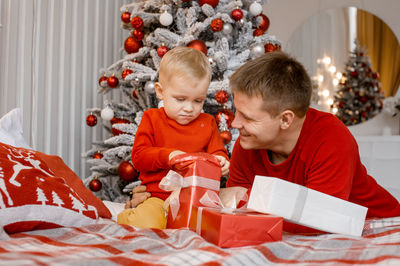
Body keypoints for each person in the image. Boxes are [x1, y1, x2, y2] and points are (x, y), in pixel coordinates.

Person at [127, 51, 400, 234]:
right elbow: (238, 212)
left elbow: (319, 223)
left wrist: (242, 204)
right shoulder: (251, 143)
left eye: (247, 117)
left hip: (380, 226)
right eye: (236, 112)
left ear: (285, 119)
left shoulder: (331, 138)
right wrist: (163, 201)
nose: (234, 125)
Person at [117, 46, 230, 229]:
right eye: (180, 99)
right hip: (158, 197)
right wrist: (169, 156)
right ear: (161, 92)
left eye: (197, 101)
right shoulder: (152, 118)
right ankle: (127, 217)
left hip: (195, 200)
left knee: (211, 229)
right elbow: (139, 157)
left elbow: (217, 151)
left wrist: (221, 160)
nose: (189, 108)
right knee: (148, 224)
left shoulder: (207, 122)